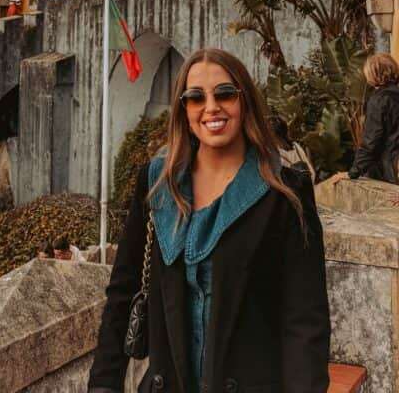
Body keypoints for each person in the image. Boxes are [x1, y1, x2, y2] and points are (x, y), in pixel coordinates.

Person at [88, 47, 330, 393]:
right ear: (183, 110)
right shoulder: (157, 184)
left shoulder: (285, 192)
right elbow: (123, 294)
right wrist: (103, 385)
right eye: (195, 97)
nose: (211, 107)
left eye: (225, 94)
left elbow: (305, 321)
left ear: (244, 100)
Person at [335, 54, 399, 184]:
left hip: (390, 171)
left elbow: (371, 141)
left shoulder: (379, 100)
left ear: (372, 75)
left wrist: (353, 172)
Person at [268, 113, 315, 183]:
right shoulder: (296, 145)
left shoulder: (275, 155)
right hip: (308, 186)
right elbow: (312, 174)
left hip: (298, 190)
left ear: (272, 134)